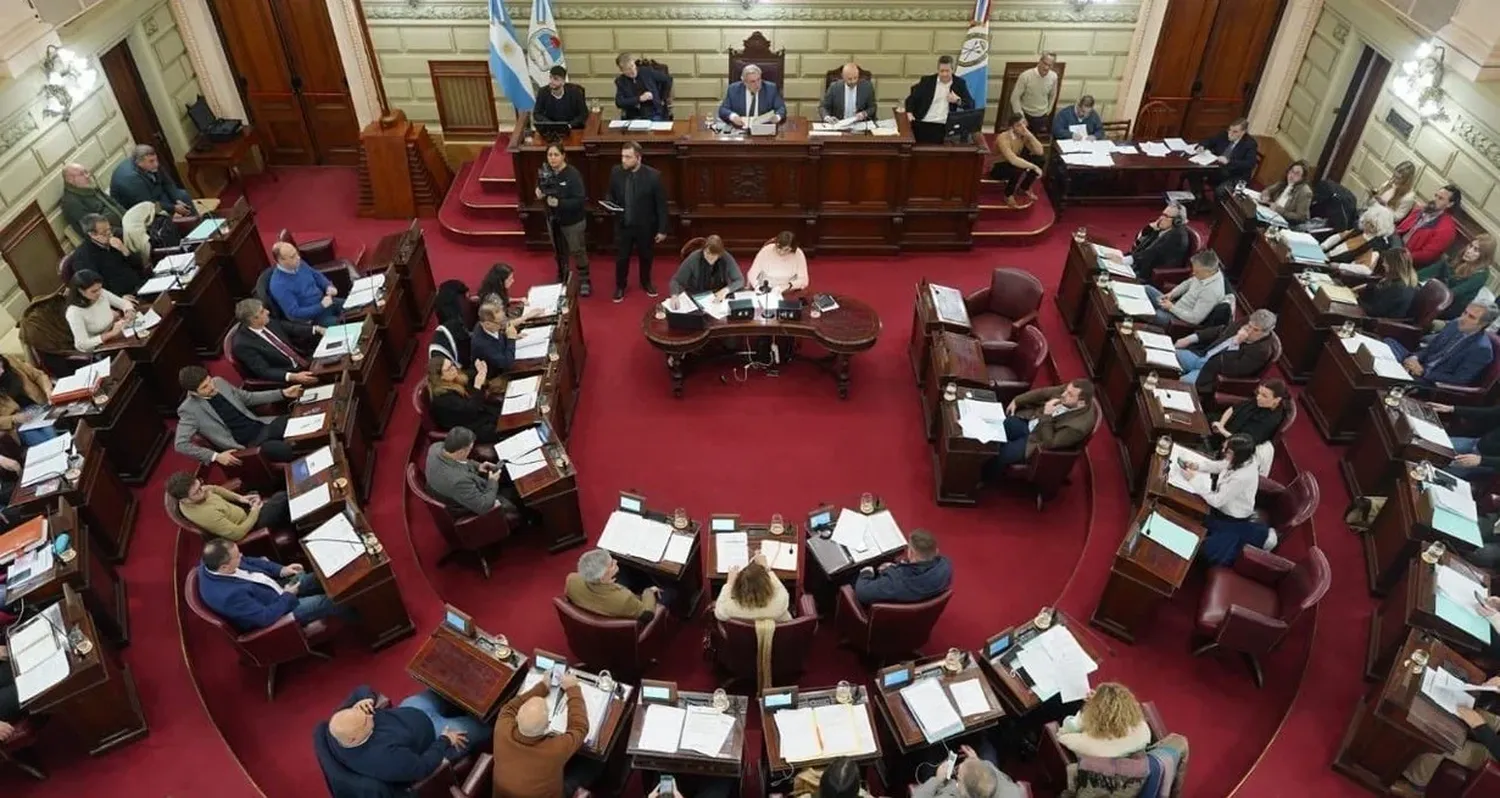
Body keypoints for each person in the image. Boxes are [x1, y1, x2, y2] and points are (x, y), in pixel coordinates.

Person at [321, 685, 486, 789]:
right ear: (353, 740)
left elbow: (361, 690)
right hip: (436, 735)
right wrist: (445, 740)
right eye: (366, 720)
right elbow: (422, 767)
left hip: (411, 710)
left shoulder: (339, 724)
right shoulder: (385, 759)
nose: (371, 715)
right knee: (482, 727)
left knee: (448, 684)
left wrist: (366, 699)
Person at [491, 669, 595, 798]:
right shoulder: (554, 750)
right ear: (547, 727)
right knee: (592, 764)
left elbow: (509, 707)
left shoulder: (502, 726)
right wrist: (573, 688)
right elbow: (580, 728)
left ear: (516, 718)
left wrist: (542, 687)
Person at [1388, 678, 1500, 797]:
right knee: (1459, 704)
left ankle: (1415, 787)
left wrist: (1479, 726)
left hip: (1494, 756)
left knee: (1442, 740)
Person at [195, 538, 337, 632]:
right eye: (237, 557)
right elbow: (264, 617)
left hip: (277, 588)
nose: (241, 556)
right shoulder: (229, 596)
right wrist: (287, 595)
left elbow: (251, 561)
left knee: (322, 575)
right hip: (279, 611)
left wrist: (281, 570)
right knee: (330, 601)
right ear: (224, 568)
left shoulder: (213, 560)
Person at [175, 365, 303, 465]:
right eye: (205, 387)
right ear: (193, 393)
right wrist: (215, 456)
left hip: (262, 426)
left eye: (209, 381)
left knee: (303, 422)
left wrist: (282, 393)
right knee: (288, 451)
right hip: (248, 445)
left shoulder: (218, 382)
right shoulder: (189, 410)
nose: (212, 387)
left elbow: (248, 398)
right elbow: (181, 444)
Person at [1184, 434, 1274, 564]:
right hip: (1224, 506)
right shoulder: (1243, 459)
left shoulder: (1242, 476)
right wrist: (1198, 466)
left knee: (1207, 549)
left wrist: (1193, 480)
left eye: (1228, 451)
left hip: (1229, 515)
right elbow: (1222, 465)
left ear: (1239, 455)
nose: (1223, 452)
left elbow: (1217, 501)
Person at [605, 141, 668, 302]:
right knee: (621, 258)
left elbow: (661, 205)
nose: (623, 160)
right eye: (622, 156)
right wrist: (609, 205)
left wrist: (662, 229)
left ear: (638, 158)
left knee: (646, 256)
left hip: (645, 227)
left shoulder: (653, 176)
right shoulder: (616, 172)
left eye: (628, 157)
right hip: (623, 225)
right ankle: (620, 286)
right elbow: (610, 194)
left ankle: (646, 282)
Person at [989, 379, 1096, 469]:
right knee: (996, 429)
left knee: (1002, 455)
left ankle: (983, 477)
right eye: (1066, 390)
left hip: (1036, 442)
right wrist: (1017, 400)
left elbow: (1049, 443)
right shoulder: (1070, 390)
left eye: (1070, 395)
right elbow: (1043, 393)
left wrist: (1047, 415)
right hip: (1030, 422)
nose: (1063, 394)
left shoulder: (1078, 427)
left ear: (1081, 403)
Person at [1385, 301, 1498, 387]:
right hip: (1419, 364)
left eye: (1471, 317)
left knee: (1389, 375)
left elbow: (1460, 380)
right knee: (1388, 343)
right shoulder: (1454, 324)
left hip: (1430, 380)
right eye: (1465, 312)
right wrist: (1414, 358)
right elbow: (1430, 348)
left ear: (1483, 324)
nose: (1463, 318)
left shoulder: (1481, 349)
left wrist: (1423, 372)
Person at [167, 471, 292, 541]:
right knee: (282, 499)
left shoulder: (196, 492)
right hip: (249, 527)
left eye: (200, 485)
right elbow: (237, 534)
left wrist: (240, 498)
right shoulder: (205, 515)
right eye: (197, 492)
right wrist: (255, 511)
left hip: (242, 510)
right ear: (185, 500)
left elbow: (214, 489)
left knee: (272, 492)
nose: (203, 490)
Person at [1172, 309, 1279, 390]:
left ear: (1266, 333)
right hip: (1201, 357)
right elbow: (1221, 330)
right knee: (1168, 355)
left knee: (1180, 383)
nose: (1249, 331)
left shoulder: (1262, 351)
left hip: (1210, 374)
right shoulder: (1245, 322)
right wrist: (1191, 338)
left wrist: (1235, 344)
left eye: (1255, 330)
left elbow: (1233, 370)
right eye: (1250, 326)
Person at [537, 143, 590, 293]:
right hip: (553, 220)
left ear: (563, 155)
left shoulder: (573, 174)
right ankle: (562, 274)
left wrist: (560, 203)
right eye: (549, 155)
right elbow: (541, 187)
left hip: (573, 221)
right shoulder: (545, 172)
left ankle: (584, 278)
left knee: (577, 250)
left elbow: (580, 200)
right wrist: (539, 191)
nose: (552, 158)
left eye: (556, 155)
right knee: (558, 250)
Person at [231, 297, 320, 386]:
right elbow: (264, 371)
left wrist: (316, 329)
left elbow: (291, 328)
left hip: (304, 359)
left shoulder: (266, 321)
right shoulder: (242, 344)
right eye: (262, 311)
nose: (267, 312)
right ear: (253, 319)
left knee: (331, 360)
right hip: (289, 374)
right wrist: (294, 377)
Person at [424, 427, 512, 516]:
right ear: (461, 451)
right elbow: (484, 506)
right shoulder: (458, 482)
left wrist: (478, 466)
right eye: (470, 449)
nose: (470, 451)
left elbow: (461, 461)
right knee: (511, 497)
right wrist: (493, 481)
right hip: (464, 505)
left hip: (454, 487)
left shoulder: (435, 447)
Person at [853, 529, 952, 605]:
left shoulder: (894, 582)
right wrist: (896, 568)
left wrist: (866, 573)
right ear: (936, 551)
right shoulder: (946, 567)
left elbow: (862, 593)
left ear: (912, 554)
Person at [1055, 683, 1153, 758]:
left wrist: (1085, 714)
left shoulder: (1086, 744)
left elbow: (1061, 735)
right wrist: (1100, 702)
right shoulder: (1144, 730)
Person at [1100, 203, 1190, 282]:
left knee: (1105, 275)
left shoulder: (1177, 236)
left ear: (1177, 221)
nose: (1161, 218)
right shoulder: (1164, 228)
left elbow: (1152, 253)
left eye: (1166, 216)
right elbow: (1138, 245)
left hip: (1151, 274)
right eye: (1162, 214)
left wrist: (1124, 260)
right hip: (1142, 265)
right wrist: (1149, 228)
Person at [565, 548, 660, 619]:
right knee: (671, 592)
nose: (616, 561)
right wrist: (649, 591)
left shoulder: (572, 580)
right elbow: (647, 614)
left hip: (596, 604)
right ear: (603, 578)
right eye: (611, 564)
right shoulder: (624, 599)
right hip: (624, 613)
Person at [1419, 233, 1497, 320]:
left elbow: (1453, 293)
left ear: (1483, 257)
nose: (1469, 251)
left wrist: (1423, 293)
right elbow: (1434, 269)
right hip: (1434, 298)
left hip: (1447, 309)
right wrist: (1411, 278)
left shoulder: (1481, 275)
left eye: (1476, 250)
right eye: (1470, 245)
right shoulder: (1460, 257)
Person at [426, 357, 504, 443]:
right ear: (440, 377)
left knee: (502, 410)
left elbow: (470, 375)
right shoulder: (442, 398)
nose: (454, 368)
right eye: (449, 369)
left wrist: (481, 370)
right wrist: (477, 386)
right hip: (468, 428)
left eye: (452, 364)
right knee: (501, 427)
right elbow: (470, 410)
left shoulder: (455, 377)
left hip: (478, 416)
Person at [1144, 250, 1227, 328]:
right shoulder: (1205, 274)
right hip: (1175, 305)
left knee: (1153, 314)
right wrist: (1172, 294)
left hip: (1179, 320)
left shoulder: (1211, 292)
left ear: (1209, 272)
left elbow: (1195, 319)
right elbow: (1188, 283)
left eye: (1197, 272)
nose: (1194, 273)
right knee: (1146, 289)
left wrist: (1171, 308)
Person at [110, 144, 195, 219]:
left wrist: (177, 199)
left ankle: (197, 222)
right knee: (164, 214)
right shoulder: (131, 178)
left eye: (156, 160)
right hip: (141, 207)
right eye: (151, 161)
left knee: (182, 195)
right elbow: (149, 204)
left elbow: (167, 182)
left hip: (156, 195)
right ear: (139, 163)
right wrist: (173, 208)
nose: (156, 164)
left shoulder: (151, 165)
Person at [910, 742, 1024, 798]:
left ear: (964, 792)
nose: (958, 767)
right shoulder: (1013, 792)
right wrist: (976, 760)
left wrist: (937, 779)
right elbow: (994, 772)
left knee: (931, 754)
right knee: (986, 747)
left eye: (959, 774)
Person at [268, 241, 342, 327]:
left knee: (357, 310)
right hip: (313, 318)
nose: (298, 258)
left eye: (296, 253)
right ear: (280, 261)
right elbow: (294, 312)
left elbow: (316, 275)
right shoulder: (278, 285)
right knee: (344, 325)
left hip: (326, 301)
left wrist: (328, 286)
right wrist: (321, 306)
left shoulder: (298, 263)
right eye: (292, 256)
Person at [904, 55, 974, 145]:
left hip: (944, 125)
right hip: (924, 122)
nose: (944, 74)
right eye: (942, 71)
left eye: (947, 71)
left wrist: (957, 100)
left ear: (952, 70)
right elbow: (911, 99)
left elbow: (971, 104)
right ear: (938, 70)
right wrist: (909, 113)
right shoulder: (927, 81)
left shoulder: (959, 83)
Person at [71, 213, 146, 298]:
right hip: (124, 297)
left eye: (109, 229)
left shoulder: (115, 238)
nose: (110, 234)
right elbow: (96, 288)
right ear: (92, 234)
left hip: (141, 285)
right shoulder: (83, 256)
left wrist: (124, 250)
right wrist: (119, 299)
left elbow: (140, 265)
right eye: (104, 232)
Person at [64, 269, 136, 352]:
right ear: (81, 291)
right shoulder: (74, 312)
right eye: (94, 291)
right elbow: (83, 343)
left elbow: (124, 303)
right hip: (97, 348)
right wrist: (112, 333)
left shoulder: (101, 293)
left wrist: (129, 311)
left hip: (113, 333)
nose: (99, 293)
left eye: (100, 288)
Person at [1428, 402, 1500, 482]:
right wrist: (1452, 409)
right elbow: (1491, 413)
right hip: (1477, 443)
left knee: (1438, 476)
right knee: (1431, 444)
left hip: (1486, 461)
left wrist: (1481, 460)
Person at [1209, 379, 1289, 450]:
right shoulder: (1259, 401)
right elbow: (1232, 409)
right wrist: (1221, 424)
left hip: (1232, 444)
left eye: (1264, 396)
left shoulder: (1270, 420)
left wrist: (1222, 431)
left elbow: (1244, 442)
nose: (1258, 397)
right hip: (1224, 427)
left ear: (1277, 400)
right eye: (1259, 393)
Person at [1396, 184, 1462, 268]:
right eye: (1436, 196)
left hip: (1409, 261)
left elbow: (1428, 255)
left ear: (1450, 204)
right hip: (1397, 245)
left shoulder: (1447, 229)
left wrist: (1404, 256)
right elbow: (1401, 228)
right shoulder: (1421, 210)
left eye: (1440, 198)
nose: (1435, 200)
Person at [714, 552, 791, 622]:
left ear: (738, 586)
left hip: (741, 636)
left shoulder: (727, 607)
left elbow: (719, 615)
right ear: (768, 585)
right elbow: (780, 587)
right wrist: (766, 568)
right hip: (777, 635)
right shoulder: (780, 602)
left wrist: (729, 583)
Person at [988, 113, 1045, 206]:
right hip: (998, 166)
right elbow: (1012, 160)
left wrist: (1030, 136)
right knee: (1018, 168)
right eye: (1019, 125)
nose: (1023, 127)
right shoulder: (1003, 137)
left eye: (1024, 123)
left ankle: (1024, 188)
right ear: (1011, 127)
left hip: (1013, 160)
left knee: (1040, 159)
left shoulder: (1024, 134)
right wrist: (1033, 167)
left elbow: (1040, 151)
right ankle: (1008, 194)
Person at [1322, 204, 1398, 273]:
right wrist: (1323, 246)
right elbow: (1338, 236)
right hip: (1326, 257)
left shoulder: (1376, 246)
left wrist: (1340, 266)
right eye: (1366, 222)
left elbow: (1366, 270)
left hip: (1335, 270)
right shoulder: (1359, 231)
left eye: (1372, 225)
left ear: (1381, 228)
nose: (1367, 226)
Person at [0, 354, 57, 445]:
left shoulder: (10, 359)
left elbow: (38, 375)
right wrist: (13, 419)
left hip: (40, 404)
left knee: (50, 432)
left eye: (1, 365)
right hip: (18, 421)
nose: (2, 371)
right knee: (47, 440)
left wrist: (48, 390)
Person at [1196, 118, 1259, 199]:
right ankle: (1199, 200)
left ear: (1243, 132)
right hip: (1217, 169)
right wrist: (1202, 146)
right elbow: (1210, 140)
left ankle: (1216, 209)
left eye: (1235, 132)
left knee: (1220, 191)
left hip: (1235, 175)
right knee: (1193, 173)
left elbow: (1249, 164)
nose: (1230, 133)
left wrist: (1229, 162)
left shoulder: (1250, 144)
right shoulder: (1224, 134)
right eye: (1230, 130)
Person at [669, 234, 744, 300]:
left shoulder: (726, 258)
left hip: (718, 295)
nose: (710, 258)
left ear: (720, 254)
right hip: (697, 295)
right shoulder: (694, 258)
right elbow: (676, 281)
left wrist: (726, 290)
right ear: (703, 249)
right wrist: (674, 296)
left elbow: (739, 280)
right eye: (708, 253)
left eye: (714, 255)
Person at [59, 163, 127, 230]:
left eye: (86, 172)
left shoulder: (89, 186)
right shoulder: (71, 202)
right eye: (82, 174)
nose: (87, 176)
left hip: (125, 223)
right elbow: (95, 230)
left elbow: (114, 203)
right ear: (70, 180)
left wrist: (128, 217)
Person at [1357, 248, 1419, 320]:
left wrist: (1356, 301)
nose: (1383, 264)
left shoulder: (1398, 288)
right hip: (1374, 315)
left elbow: (1375, 311)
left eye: (1386, 262)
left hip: (1379, 324)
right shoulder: (1397, 280)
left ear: (1394, 265)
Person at [719, 64, 786, 128]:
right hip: (741, 128)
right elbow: (723, 109)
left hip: (763, 128)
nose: (757, 84)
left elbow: (781, 108)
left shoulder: (770, 88)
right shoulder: (733, 89)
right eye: (753, 81)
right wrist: (733, 116)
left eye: (759, 79)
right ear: (744, 82)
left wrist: (777, 117)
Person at [1010, 52, 1058, 136]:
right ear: (1040, 61)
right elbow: (1014, 98)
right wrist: (1020, 117)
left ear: (1053, 66)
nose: (1046, 67)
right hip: (1025, 115)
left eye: (1050, 65)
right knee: (1019, 141)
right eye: (1045, 63)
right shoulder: (1025, 76)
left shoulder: (1053, 77)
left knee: (1032, 142)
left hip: (1041, 116)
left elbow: (1053, 95)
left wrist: (1048, 110)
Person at [614, 52, 673, 121]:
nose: (632, 71)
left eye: (632, 66)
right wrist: (639, 98)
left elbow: (668, 79)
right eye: (628, 69)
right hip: (635, 116)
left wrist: (662, 97)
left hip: (654, 113)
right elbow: (619, 102)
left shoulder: (647, 71)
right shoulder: (621, 81)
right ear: (622, 70)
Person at [1257, 160, 1314, 225]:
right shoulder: (1285, 182)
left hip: (1286, 223)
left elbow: (1300, 217)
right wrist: (1265, 196)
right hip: (1270, 215)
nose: (1292, 175)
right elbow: (1267, 190)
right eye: (1292, 171)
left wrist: (1279, 210)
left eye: (1297, 174)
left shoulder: (1305, 192)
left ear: (1303, 178)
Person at [470, 301, 519, 374]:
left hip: (504, 359)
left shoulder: (490, 326)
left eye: (504, 320)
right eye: (500, 323)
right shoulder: (482, 344)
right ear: (487, 324)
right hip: (496, 376)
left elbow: (500, 337)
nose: (504, 324)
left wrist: (508, 336)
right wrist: (511, 339)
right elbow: (506, 364)